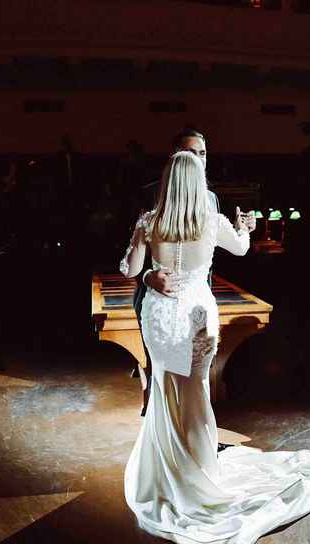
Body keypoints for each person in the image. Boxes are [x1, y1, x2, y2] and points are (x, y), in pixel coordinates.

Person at [120, 151, 310, 544]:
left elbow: (130, 270)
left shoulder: (149, 222)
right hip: (198, 315)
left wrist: (148, 270)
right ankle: (200, 476)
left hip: (161, 319)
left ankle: (169, 474)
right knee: (197, 395)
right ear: (199, 184)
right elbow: (243, 249)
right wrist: (245, 227)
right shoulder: (212, 223)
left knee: (165, 390)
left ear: (167, 182)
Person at [131, 128, 256, 416]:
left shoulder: (211, 200)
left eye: (202, 153)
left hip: (197, 296)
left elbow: (217, 248)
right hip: (157, 298)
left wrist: (240, 229)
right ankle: (166, 443)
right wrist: (149, 276)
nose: (199, 160)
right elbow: (131, 256)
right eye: (191, 154)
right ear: (175, 156)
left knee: (196, 382)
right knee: (159, 380)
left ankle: (196, 441)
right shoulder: (149, 195)